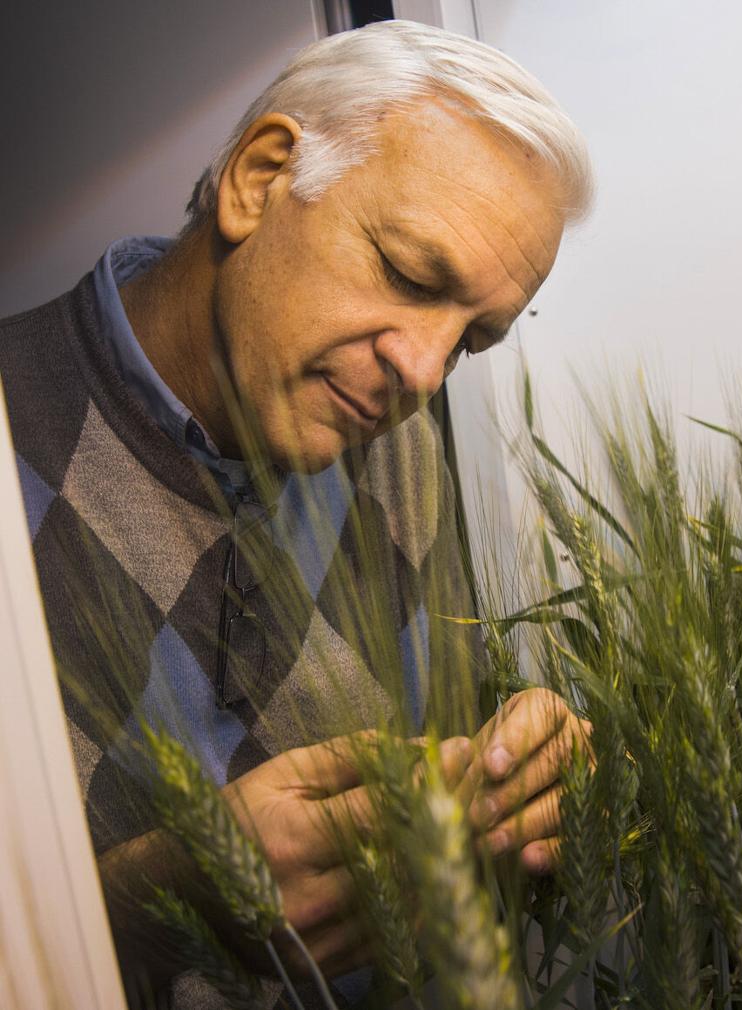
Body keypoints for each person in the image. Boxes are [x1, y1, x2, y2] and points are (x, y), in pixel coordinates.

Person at [0, 19, 593, 1008]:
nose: (422, 370)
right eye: (409, 272)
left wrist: (513, 779)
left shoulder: (390, 442)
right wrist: (147, 902)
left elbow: (436, 774)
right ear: (259, 176)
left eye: (471, 340)